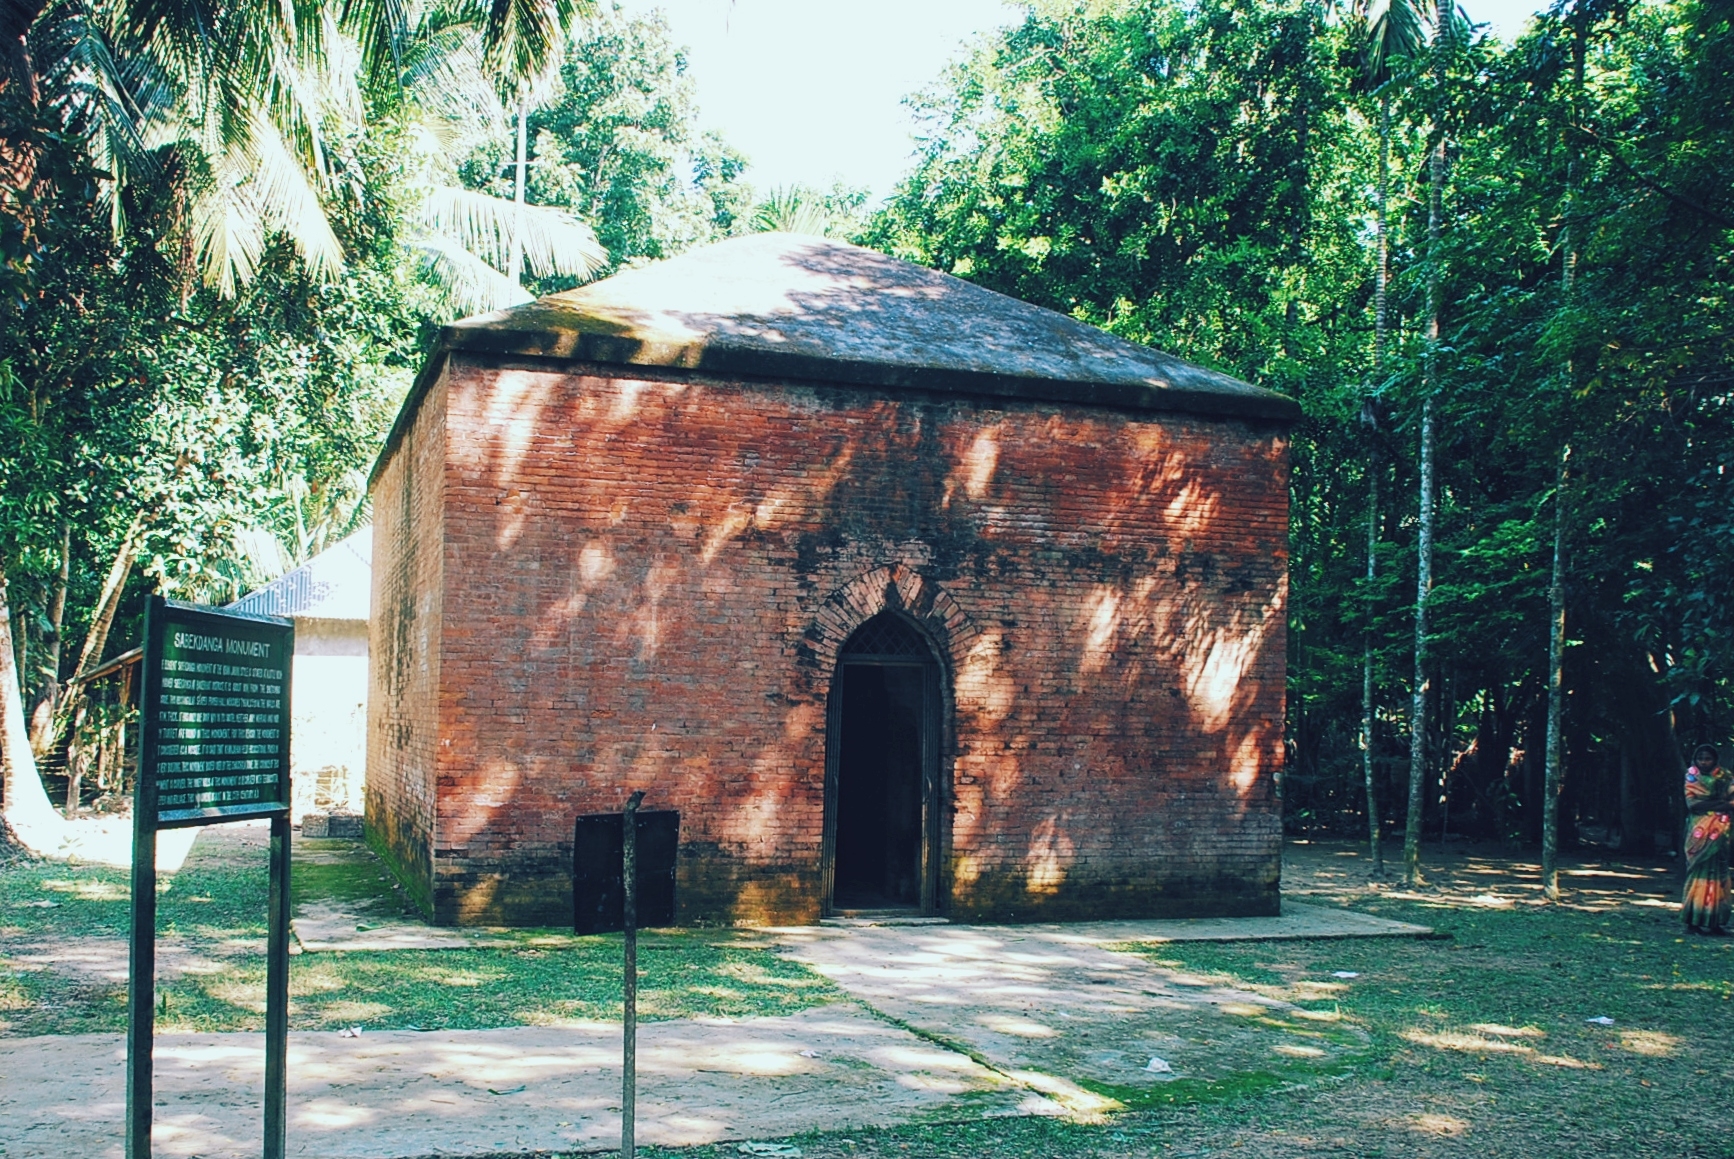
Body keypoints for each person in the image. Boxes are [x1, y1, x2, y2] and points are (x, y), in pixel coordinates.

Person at [1683, 744, 1732, 935]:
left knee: (1719, 873)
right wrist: (1722, 804)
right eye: (1700, 758)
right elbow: (1693, 804)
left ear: (1715, 759)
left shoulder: (1725, 776)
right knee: (1698, 872)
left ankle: (1716, 922)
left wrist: (1721, 805)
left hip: (1721, 830)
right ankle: (1693, 920)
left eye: (1708, 758)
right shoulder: (1692, 776)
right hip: (1699, 831)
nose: (1704, 762)